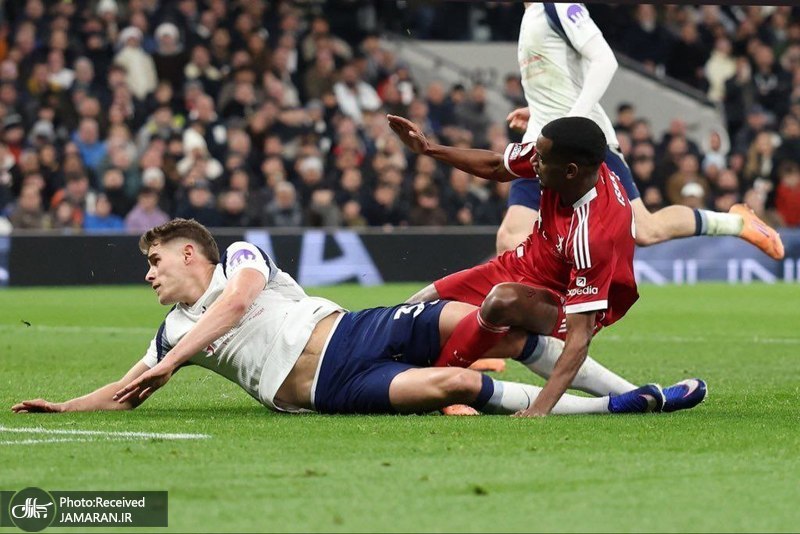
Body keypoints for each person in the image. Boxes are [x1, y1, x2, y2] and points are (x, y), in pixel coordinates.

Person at [11, 218, 697, 418]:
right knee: (456, 384)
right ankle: (615, 409)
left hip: (353, 329)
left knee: (486, 324)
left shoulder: (240, 258)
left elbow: (238, 303)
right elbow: (125, 391)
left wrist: (172, 362)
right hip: (330, 390)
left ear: (188, 252)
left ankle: (636, 391)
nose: (149, 273)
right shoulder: (167, 334)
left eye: (155, 260)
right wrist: (67, 407)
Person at [387, 114, 706, 416]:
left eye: (540, 159)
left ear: (570, 171)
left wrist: (540, 408)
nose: (533, 161)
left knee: (503, 304)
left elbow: (579, 339)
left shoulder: (594, 234)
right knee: (416, 306)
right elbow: (497, 165)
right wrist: (429, 149)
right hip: (524, 264)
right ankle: (638, 396)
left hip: (565, 298)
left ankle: (438, 385)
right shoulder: (559, 159)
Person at [497, 3, 783, 261]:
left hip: (583, 141)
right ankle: (540, 304)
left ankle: (737, 223)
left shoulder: (559, 6)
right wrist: (539, 108)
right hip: (541, 143)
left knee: (644, 229)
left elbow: (604, 60)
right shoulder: (530, 16)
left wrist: (571, 121)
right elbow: (561, 78)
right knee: (510, 237)